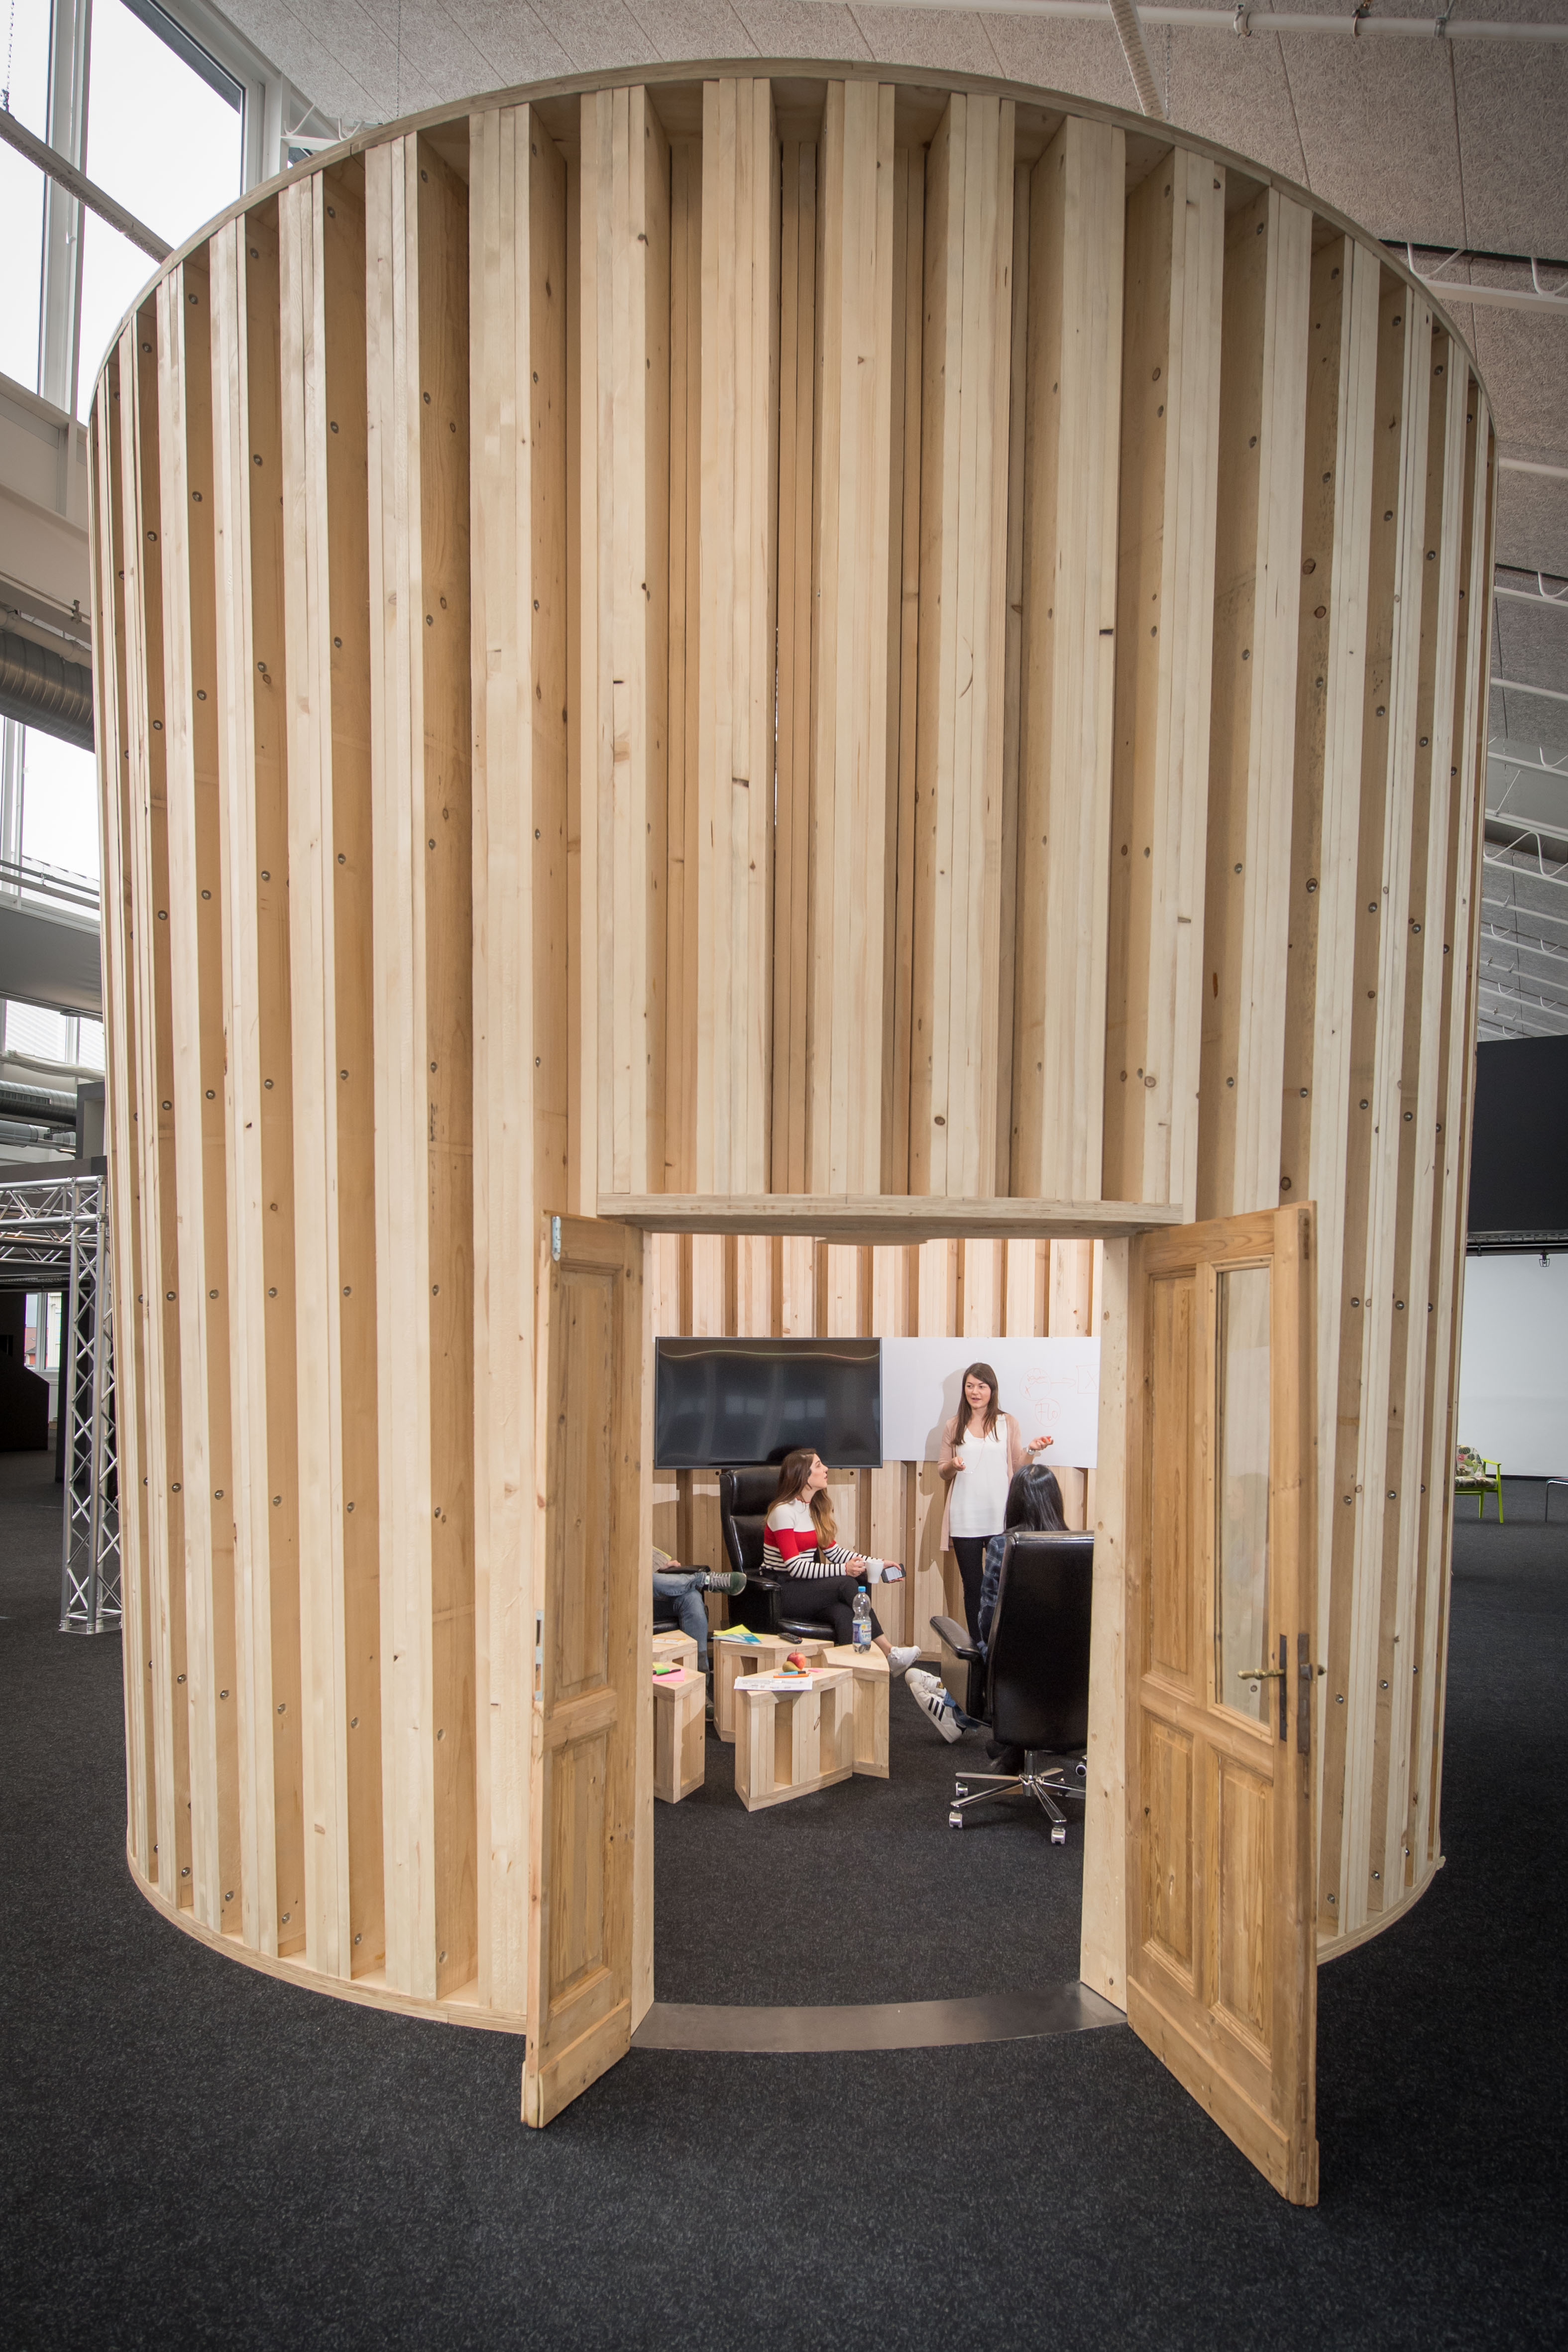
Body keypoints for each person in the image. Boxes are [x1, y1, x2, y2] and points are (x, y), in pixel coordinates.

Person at [908, 1461, 1067, 1745]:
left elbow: (988, 1620)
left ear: (1014, 1502)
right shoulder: (1076, 1544)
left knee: (982, 1647)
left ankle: (954, 1713)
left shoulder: (1004, 1545)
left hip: (1012, 1663)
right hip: (1063, 1664)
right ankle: (947, 1692)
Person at [762, 1450, 922, 1675]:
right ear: (803, 1476)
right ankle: (888, 1651)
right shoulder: (783, 1512)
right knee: (846, 1583)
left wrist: (877, 1564)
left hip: (806, 1588)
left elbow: (836, 1553)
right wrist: (844, 1570)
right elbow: (795, 1568)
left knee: (844, 1613)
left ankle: (851, 1674)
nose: (826, 1469)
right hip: (782, 1590)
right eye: (819, 1466)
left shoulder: (813, 1509)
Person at [937, 1362, 1054, 1644]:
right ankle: (978, 1648)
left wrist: (1031, 1450)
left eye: (981, 1386)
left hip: (1000, 1517)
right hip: (964, 1517)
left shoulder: (1007, 1422)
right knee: (973, 1587)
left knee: (1002, 1586)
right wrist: (953, 1464)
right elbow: (942, 1471)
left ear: (992, 1390)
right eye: (970, 1386)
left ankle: (1001, 1646)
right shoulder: (954, 1425)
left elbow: (1017, 1465)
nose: (975, 1392)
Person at [652, 1548, 745, 1675]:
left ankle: (700, 1675)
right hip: (627, 1603)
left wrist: (655, 1563)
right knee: (642, 1577)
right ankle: (704, 1580)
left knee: (692, 1598)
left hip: (649, 1600)